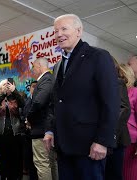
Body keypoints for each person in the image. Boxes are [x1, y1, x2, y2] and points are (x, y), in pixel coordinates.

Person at [43, 14, 120, 180]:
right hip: (63, 146)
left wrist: (103, 141)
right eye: (56, 31)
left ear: (79, 31)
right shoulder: (57, 65)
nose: (59, 34)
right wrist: (50, 130)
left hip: (90, 147)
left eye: (64, 29)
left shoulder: (98, 56)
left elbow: (111, 102)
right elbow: (56, 101)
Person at [27, 58, 56, 180]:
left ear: (39, 65)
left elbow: (38, 102)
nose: (33, 70)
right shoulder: (48, 79)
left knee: (42, 164)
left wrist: (29, 118)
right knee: (50, 164)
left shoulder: (46, 80)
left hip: (41, 130)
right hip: (44, 130)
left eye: (33, 67)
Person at [0, 78, 25, 179]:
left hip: (15, 134)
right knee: (2, 161)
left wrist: (14, 91)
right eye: (5, 85)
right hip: (1, 135)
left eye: (9, 85)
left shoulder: (18, 96)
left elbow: (23, 104)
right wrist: (3, 94)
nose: (7, 86)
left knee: (15, 161)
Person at [105, 58, 131, 180]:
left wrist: (110, 133)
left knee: (114, 174)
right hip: (107, 138)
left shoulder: (117, 82)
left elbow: (124, 109)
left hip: (116, 139)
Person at [119, 64, 137, 180]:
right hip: (115, 141)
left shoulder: (134, 92)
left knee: (129, 175)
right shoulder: (114, 92)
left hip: (131, 144)